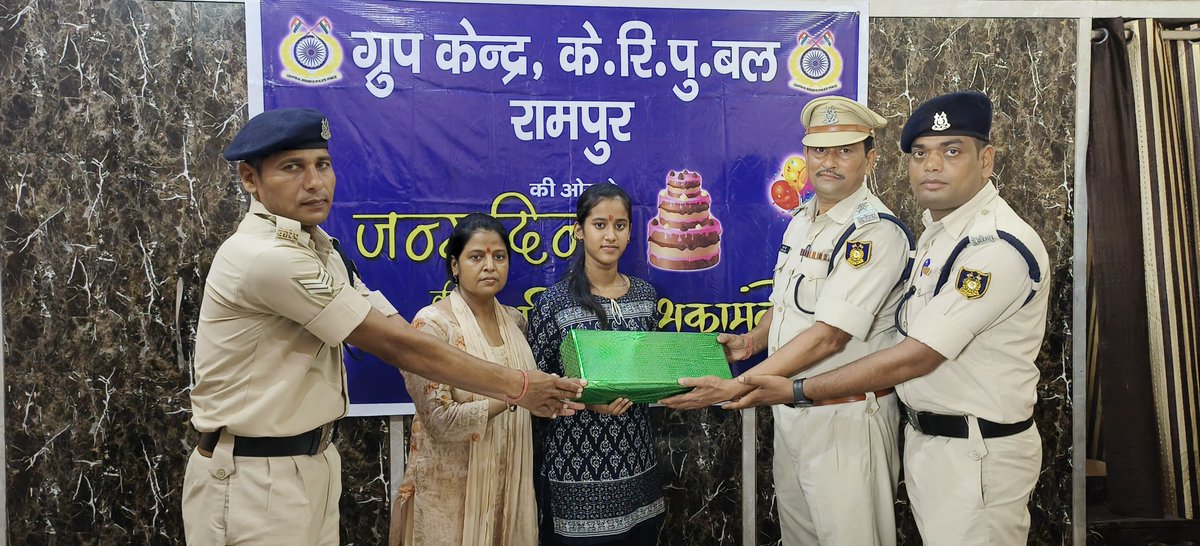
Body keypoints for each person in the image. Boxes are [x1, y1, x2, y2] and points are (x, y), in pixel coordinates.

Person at [182, 108, 583, 546]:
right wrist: (519, 387)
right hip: (254, 476)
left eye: (323, 164)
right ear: (250, 178)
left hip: (309, 463)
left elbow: (391, 324)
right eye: (292, 167)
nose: (315, 182)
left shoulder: (319, 248)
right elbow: (398, 346)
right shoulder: (268, 257)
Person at [730, 91, 1050, 546]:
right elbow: (791, 307)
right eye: (921, 153)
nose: (932, 165)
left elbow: (908, 353)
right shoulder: (939, 233)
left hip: (966, 447)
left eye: (952, 151)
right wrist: (754, 343)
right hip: (925, 436)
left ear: (986, 160)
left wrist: (779, 388)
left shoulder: (992, 245)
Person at [661, 96, 913, 545]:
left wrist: (739, 386)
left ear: (871, 159)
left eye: (845, 150)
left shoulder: (874, 232)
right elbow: (787, 306)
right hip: (792, 412)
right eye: (819, 150)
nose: (829, 162)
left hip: (846, 420)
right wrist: (751, 343)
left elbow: (829, 336)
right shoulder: (803, 220)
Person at [527, 182, 665, 545]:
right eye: (599, 225)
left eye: (620, 225)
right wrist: (589, 401)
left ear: (630, 232)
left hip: (637, 465)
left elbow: (651, 369)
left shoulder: (646, 297)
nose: (610, 235)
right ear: (579, 230)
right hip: (576, 473)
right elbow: (535, 390)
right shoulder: (554, 303)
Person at [389, 213, 537, 546]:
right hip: (451, 497)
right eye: (476, 257)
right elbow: (440, 421)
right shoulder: (433, 326)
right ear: (455, 265)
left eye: (499, 257)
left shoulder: (515, 322)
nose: (490, 266)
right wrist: (517, 394)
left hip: (508, 487)